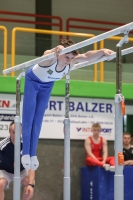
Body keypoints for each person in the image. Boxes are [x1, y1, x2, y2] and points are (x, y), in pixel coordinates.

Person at [21, 38, 114, 170]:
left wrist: (102, 51)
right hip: (33, 81)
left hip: (47, 85)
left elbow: (87, 56)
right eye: (66, 56)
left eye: (71, 57)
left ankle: (33, 154)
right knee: (29, 116)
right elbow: (46, 52)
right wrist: (55, 49)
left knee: (38, 119)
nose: (69, 60)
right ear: (60, 53)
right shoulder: (52, 57)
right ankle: (25, 152)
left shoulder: (71, 62)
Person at [0, 121, 35, 200]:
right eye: (13, 132)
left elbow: (32, 166)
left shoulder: (26, 145)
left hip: (21, 171)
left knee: (30, 182)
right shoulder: (2, 145)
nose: (15, 135)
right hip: (5, 171)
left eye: (18, 132)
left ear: (21, 132)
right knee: (0, 184)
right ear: (9, 132)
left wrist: (30, 185)